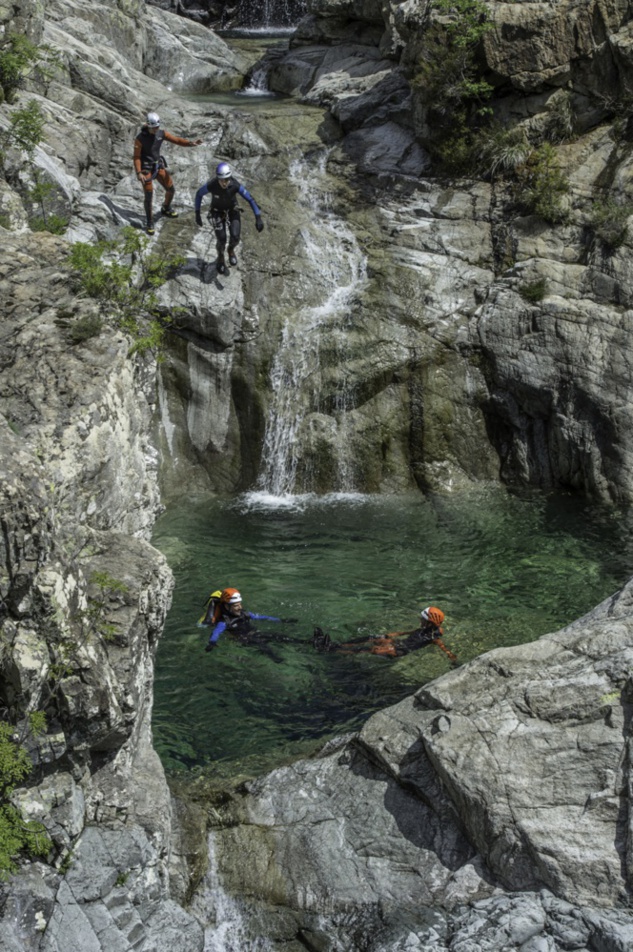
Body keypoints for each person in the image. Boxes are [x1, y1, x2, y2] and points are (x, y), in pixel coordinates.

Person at [133, 111, 203, 235]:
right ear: (148, 126)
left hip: (157, 165)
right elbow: (137, 157)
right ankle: (149, 222)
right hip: (145, 169)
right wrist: (139, 172)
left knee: (171, 189)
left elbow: (177, 140)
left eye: (157, 127)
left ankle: (165, 208)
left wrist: (191, 143)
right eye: (154, 127)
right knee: (149, 196)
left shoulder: (161, 133)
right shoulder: (140, 139)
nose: (156, 129)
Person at [313, 606, 457, 662]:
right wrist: (391, 635)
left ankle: (330, 649)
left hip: (399, 651)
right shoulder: (423, 630)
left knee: (373, 649)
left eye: (422, 619)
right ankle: (339, 644)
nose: (420, 620)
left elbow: (442, 647)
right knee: (376, 638)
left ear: (429, 623)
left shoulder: (433, 637)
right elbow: (407, 632)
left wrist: (450, 656)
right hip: (398, 644)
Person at [194, 162, 264, 274]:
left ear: (229, 177)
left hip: (232, 210)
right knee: (221, 239)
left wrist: (258, 217)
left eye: (226, 179)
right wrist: (197, 213)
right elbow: (199, 194)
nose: (224, 183)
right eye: (221, 180)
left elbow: (250, 199)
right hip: (216, 212)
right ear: (217, 178)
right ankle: (221, 257)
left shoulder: (235, 185)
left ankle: (230, 250)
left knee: (235, 237)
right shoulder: (212, 185)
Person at [201, 588, 298, 658]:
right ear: (227, 606)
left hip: (254, 633)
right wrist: (212, 643)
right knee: (261, 644)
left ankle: (302, 642)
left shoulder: (244, 613)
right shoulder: (224, 622)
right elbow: (216, 633)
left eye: (240, 604)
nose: (240, 607)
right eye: (236, 605)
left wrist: (280, 620)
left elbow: (262, 617)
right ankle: (277, 660)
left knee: (277, 636)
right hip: (244, 639)